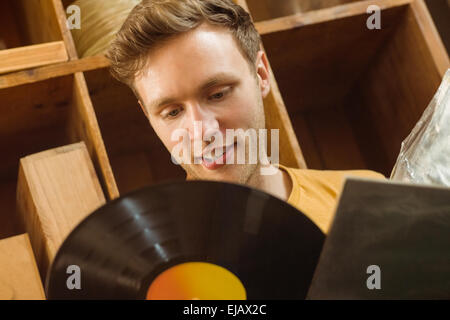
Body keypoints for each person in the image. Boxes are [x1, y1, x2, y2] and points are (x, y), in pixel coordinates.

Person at [106, 0, 385, 234]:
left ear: (261, 75)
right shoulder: (150, 265)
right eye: (173, 112)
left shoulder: (368, 199)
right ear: (149, 117)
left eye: (217, 94)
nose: (203, 131)